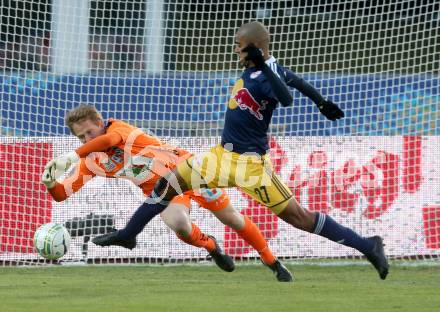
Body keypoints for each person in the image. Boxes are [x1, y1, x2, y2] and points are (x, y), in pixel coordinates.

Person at [58, 21, 389, 280]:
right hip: (222, 155)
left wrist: (275, 75)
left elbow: (285, 97)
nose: (235, 51)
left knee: (297, 217)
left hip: (250, 164)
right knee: (168, 182)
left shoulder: (264, 73)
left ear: (254, 48)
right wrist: (321, 102)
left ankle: (367, 246)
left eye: (239, 46)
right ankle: (128, 235)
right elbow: (297, 82)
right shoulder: (264, 66)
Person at [42, 104, 293, 282]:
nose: (86, 139)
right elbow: (62, 194)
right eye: (80, 137)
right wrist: (51, 182)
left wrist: (74, 154)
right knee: (179, 224)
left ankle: (272, 261)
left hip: (189, 171)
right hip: (162, 192)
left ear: (100, 122)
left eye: (89, 132)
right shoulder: (91, 161)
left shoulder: (119, 130)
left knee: (232, 219)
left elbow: (108, 141)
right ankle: (212, 247)